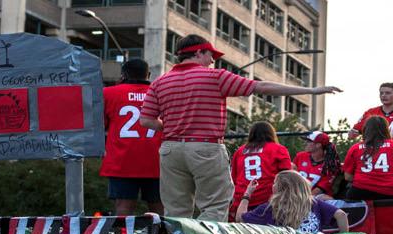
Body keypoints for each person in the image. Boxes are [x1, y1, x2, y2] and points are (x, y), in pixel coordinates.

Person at [140, 34, 342, 222]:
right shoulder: (215, 77)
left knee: (175, 211)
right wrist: (311, 91)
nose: (212, 61)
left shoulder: (159, 82)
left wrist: (174, 129)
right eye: (210, 55)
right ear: (199, 52)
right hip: (205, 149)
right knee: (214, 206)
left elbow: (146, 121)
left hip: (170, 150)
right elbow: (261, 87)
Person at [100, 59, 164, 216]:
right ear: (148, 75)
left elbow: (101, 125)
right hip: (157, 160)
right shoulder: (160, 94)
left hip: (122, 161)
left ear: (123, 75)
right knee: (160, 209)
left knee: (123, 208)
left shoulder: (108, 93)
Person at [236, 171, 350, 234]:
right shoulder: (314, 203)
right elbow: (341, 215)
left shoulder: (270, 208)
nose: (272, 185)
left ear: (282, 187)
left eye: (275, 182)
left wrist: (247, 193)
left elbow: (240, 218)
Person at [229, 122, 292, 219]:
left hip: (242, 200)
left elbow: (233, 179)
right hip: (267, 201)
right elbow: (287, 177)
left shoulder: (240, 151)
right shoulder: (278, 149)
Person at [348, 83, 393, 147]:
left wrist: (385, 146)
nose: (383, 95)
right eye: (381, 93)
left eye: (388, 93)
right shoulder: (371, 112)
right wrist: (353, 133)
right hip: (373, 153)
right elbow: (352, 135)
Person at [293, 131, 341, 200]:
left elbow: (319, 190)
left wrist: (301, 199)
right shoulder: (300, 156)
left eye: (309, 141)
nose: (305, 143)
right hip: (298, 195)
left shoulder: (330, 164)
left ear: (318, 145)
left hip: (315, 198)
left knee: (324, 198)